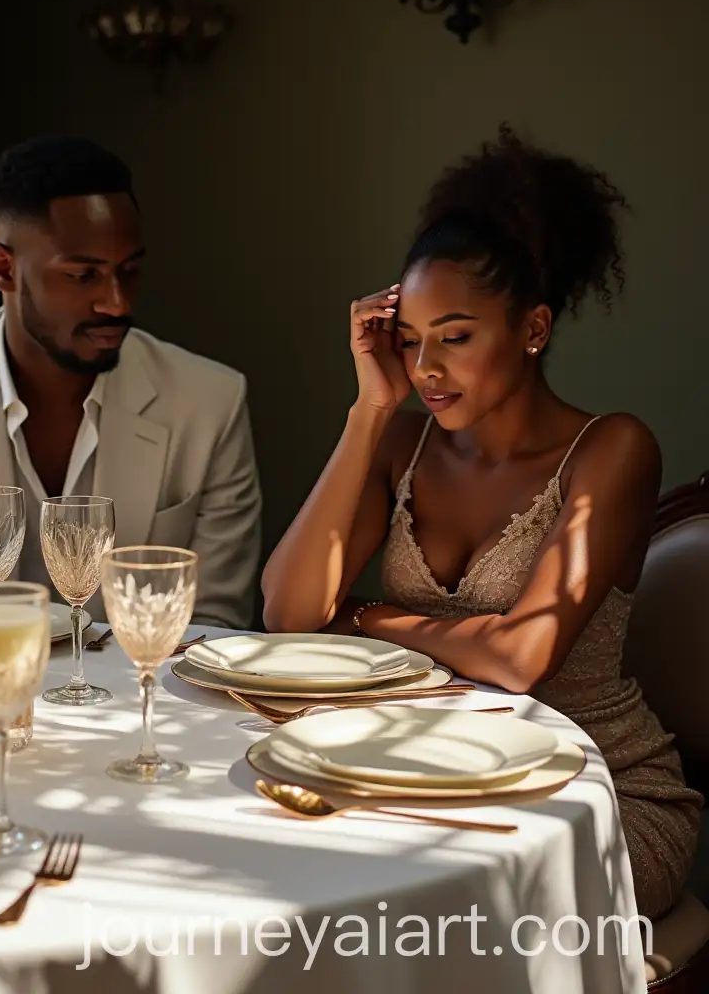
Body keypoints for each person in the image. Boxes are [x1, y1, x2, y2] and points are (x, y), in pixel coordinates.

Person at [260, 125, 702, 920]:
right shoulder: (401, 442)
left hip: (595, 795)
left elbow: (520, 657)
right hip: (438, 774)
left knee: (407, 908)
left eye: (455, 338)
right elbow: (289, 612)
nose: (427, 368)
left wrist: (366, 617)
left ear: (533, 329)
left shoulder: (612, 450)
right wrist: (368, 410)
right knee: (297, 866)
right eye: (409, 342)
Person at [0, 135, 261, 628]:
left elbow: (212, 628)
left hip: (141, 678)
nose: (117, 302)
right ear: (4, 269)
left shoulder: (208, 402)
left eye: (129, 271)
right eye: (83, 275)